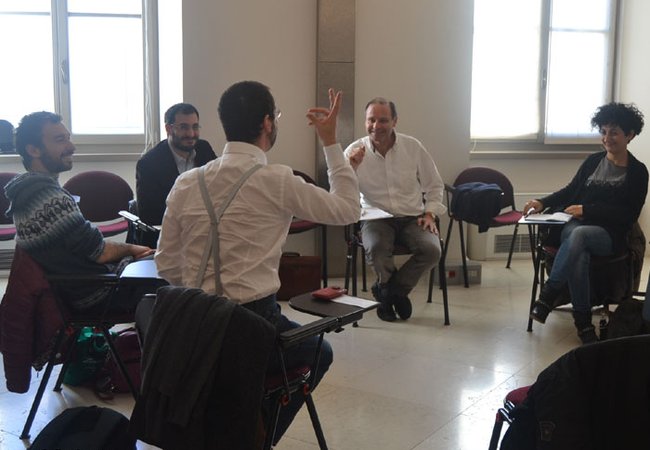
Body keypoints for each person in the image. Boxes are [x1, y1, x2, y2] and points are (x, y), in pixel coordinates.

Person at [155, 81, 360, 443]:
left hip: (188, 324)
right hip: (253, 323)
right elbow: (347, 210)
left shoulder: (186, 182)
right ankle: (256, 436)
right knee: (321, 352)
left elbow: (166, 263)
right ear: (267, 123)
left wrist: (200, 298)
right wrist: (330, 142)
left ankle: (239, 430)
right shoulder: (277, 180)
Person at [4, 111, 155, 311]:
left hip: (82, 287)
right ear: (33, 150)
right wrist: (132, 249)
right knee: (172, 270)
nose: (71, 147)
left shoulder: (30, 193)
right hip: (97, 293)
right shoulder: (49, 200)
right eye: (60, 140)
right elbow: (99, 252)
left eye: (68, 138)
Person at [526, 102, 648, 344]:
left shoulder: (638, 172)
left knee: (579, 238)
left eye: (614, 132)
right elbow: (570, 190)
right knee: (578, 245)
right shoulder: (593, 162)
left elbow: (628, 214)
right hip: (574, 228)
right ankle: (583, 324)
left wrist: (587, 210)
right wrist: (542, 202)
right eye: (603, 131)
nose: (607, 138)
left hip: (610, 236)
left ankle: (549, 294)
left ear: (630, 134)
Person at [344, 97, 445, 322]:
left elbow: (435, 185)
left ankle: (389, 293)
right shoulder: (354, 151)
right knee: (377, 247)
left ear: (394, 121)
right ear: (365, 121)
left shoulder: (412, 147)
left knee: (432, 250)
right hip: (375, 217)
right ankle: (393, 295)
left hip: (413, 217)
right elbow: (340, 191)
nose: (376, 126)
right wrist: (350, 168)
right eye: (371, 120)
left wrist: (430, 213)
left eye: (383, 120)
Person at [135, 103, 217, 247]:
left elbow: (218, 188)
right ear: (168, 129)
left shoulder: (204, 149)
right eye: (184, 127)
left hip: (204, 233)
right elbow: (149, 214)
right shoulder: (148, 164)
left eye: (195, 127)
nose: (191, 134)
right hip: (168, 239)